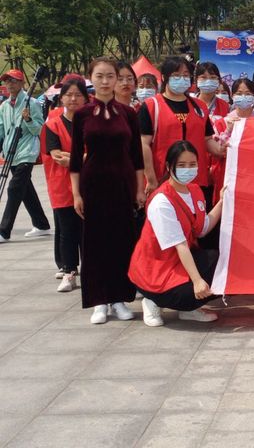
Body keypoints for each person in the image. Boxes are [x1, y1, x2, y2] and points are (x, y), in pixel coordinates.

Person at [70, 57, 145, 324]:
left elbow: (137, 156)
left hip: (123, 184)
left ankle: (119, 298)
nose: (105, 81)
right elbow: (75, 159)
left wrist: (139, 189)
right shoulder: (82, 115)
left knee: (121, 241)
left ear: (117, 79)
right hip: (93, 184)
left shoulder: (128, 114)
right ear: (91, 78)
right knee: (94, 243)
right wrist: (76, 194)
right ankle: (99, 301)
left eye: (110, 76)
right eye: (99, 76)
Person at [128, 140, 223, 326]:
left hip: (178, 262)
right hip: (156, 272)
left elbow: (202, 229)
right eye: (182, 165)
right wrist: (197, 281)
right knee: (207, 282)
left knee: (223, 266)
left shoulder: (194, 190)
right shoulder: (161, 202)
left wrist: (222, 202)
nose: (188, 169)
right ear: (169, 166)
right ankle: (153, 300)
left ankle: (188, 309)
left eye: (192, 164)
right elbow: (180, 245)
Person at [139, 57, 223, 201]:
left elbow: (207, 139)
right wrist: (151, 179)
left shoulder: (200, 107)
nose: (182, 79)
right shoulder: (151, 106)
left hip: (195, 178)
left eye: (185, 75)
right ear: (164, 77)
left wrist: (222, 150)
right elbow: (143, 144)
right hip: (162, 179)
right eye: (176, 75)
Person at [43, 78, 89, 292]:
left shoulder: (91, 123)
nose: (73, 99)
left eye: (78, 95)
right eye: (69, 95)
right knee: (67, 231)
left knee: (88, 231)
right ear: (61, 99)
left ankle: (91, 271)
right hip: (62, 185)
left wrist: (75, 157)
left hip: (88, 184)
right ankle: (69, 271)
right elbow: (57, 156)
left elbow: (97, 152)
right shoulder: (52, 125)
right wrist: (84, 157)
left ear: (86, 99)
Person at [0, 69, 51, 242]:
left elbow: (40, 129)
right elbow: (1, 130)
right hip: (11, 153)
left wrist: (28, 120)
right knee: (26, 190)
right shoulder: (4, 106)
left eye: (13, 81)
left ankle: (3, 231)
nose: (10, 84)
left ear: (22, 83)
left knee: (14, 189)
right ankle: (41, 224)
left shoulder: (32, 103)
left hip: (27, 152)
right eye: (7, 81)